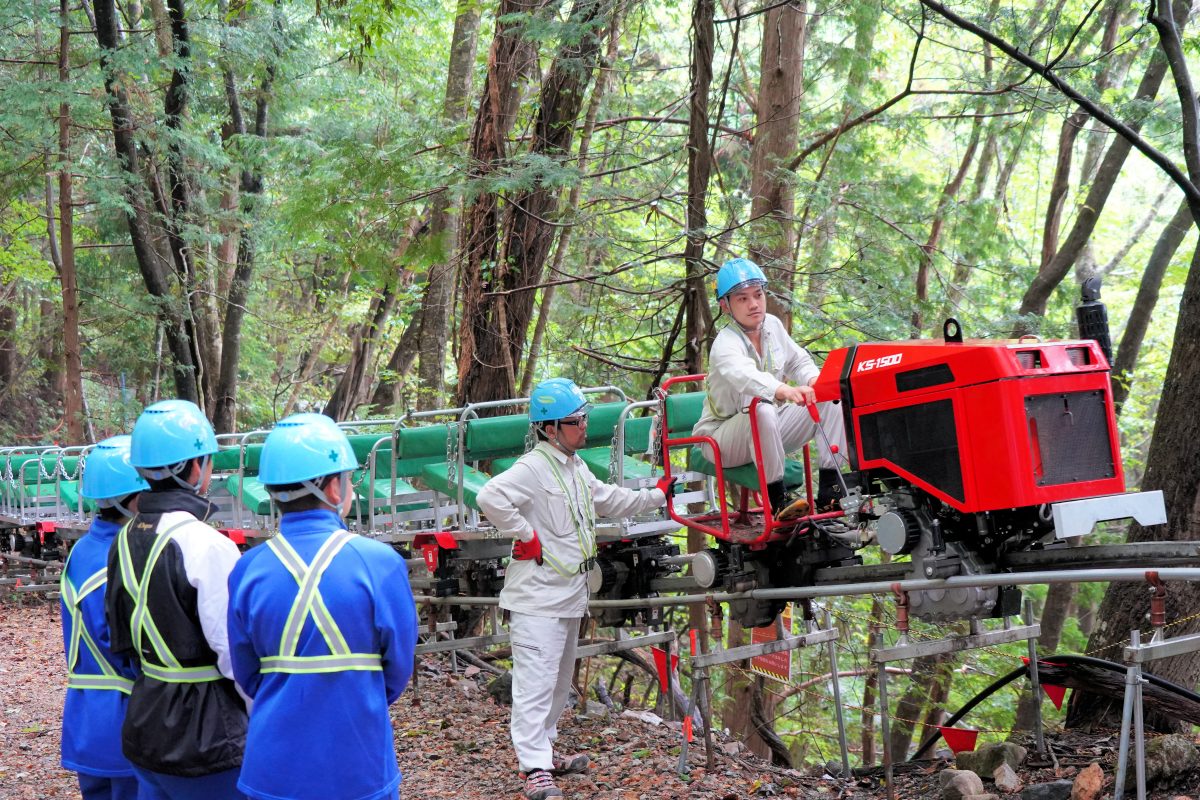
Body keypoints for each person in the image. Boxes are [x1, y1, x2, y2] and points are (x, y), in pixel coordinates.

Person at [476, 378, 675, 800]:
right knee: (535, 684)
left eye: (584, 418)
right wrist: (525, 534)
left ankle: (545, 752)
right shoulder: (533, 467)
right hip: (537, 599)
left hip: (569, 595)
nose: (584, 426)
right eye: (575, 421)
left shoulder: (576, 467)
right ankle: (534, 768)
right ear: (550, 428)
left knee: (557, 682)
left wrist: (655, 496)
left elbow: (608, 499)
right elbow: (490, 497)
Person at [226, 413, 418, 800]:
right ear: (333, 487)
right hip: (358, 762)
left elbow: (246, 672)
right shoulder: (379, 563)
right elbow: (397, 667)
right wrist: (356, 692)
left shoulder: (247, 568)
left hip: (273, 767)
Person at [105, 399, 248, 799]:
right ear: (196, 468)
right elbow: (232, 654)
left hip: (145, 728)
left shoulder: (124, 538)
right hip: (207, 740)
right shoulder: (206, 544)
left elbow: (121, 640)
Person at [693, 257, 849, 519]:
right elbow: (745, 376)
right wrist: (784, 390)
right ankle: (778, 499)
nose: (754, 304)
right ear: (726, 305)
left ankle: (830, 490)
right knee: (762, 409)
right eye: (742, 299)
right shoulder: (725, 344)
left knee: (830, 397)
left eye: (758, 295)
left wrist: (813, 381)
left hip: (768, 428)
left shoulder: (773, 326)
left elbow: (798, 361)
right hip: (720, 440)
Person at [59, 435, 149, 800]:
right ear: (134, 499)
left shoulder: (82, 550)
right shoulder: (122, 560)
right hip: (125, 720)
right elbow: (128, 650)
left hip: (86, 717)